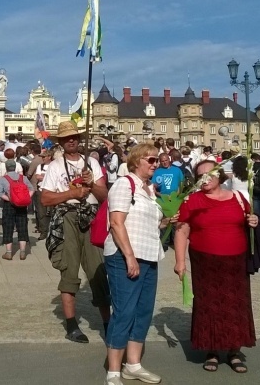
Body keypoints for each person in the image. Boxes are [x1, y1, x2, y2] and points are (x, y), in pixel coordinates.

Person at [174, 160, 259, 374]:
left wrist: (253, 221)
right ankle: (211, 350)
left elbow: (249, 221)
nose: (204, 179)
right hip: (205, 262)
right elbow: (182, 231)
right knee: (208, 305)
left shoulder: (239, 198)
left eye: (208, 174)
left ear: (219, 175)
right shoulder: (191, 200)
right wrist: (180, 261)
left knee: (235, 306)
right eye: (200, 175)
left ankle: (233, 351)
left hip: (235, 262)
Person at [105, 143, 173, 385]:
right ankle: (113, 371)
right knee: (124, 312)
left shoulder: (148, 190)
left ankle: (133, 365)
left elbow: (147, 224)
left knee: (143, 312)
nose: (155, 164)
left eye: (157, 160)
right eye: (151, 160)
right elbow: (116, 222)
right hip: (125, 256)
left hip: (150, 255)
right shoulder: (125, 183)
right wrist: (130, 257)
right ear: (136, 162)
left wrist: (165, 221)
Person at [41, 121, 111, 343]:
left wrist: (93, 184)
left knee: (98, 271)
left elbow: (103, 197)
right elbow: (46, 198)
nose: (71, 140)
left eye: (74, 137)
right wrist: (72, 193)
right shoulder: (54, 166)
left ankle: (109, 324)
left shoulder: (91, 163)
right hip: (67, 218)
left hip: (90, 218)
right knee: (69, 271)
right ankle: (72, 325)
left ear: (79, 140)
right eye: (66, 138)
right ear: (61, 142)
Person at [0, 159, 34, 260]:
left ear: (6, 168)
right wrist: (26, 198)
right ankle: (22, 252)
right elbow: (32, 189)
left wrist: (10, 199)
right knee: (22, 226)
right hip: (22, 205)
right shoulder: (23, 178)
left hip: (9, 205)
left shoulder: (3, 179)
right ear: (15, 167)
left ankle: (8, 252)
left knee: (8, 227)